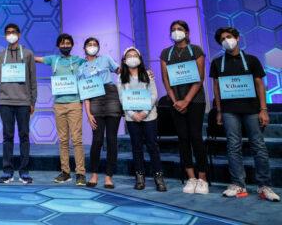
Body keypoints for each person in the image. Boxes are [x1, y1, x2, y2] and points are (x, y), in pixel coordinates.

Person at [210, 27, 280, 202]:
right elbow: (216, 88)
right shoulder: (217, 62)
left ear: (237, 38)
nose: (226, 40)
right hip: (228, 110)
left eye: (229, 37)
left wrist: (264, 109)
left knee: (258, 146)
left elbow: (259, 85)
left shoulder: (252, 60)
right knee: (233, 146)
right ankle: (238, 184)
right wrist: (218, 111)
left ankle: (265, 186)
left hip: (252, 109)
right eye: (222, 39)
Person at [160, 20, 209, 194]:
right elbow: (166, 80)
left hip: (195, 101)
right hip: (175, 101)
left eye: (179, 29)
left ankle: (202, 178)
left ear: (187, 33)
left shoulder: (196, 50)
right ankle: (191, 177)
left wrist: (186, 101)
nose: (176, 32)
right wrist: (175, 101)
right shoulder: (166, 53)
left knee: (196, 137)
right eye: (173, 29)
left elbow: (199, 78)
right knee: (183, 138)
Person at [0, 23, 37, 184]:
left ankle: (24, 171)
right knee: (7, 137)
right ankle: (7, 171)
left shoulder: (28, 54)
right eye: (8, 32)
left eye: (13, 32)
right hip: (5, 101)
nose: (11, 35)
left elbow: (33, 80)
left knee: (24, 137)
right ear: (5, 36)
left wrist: (32, 101)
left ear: (19, 34)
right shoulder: (1, 55)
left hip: (23, 102)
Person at [35, 33, 86, 185]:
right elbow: (36, 59)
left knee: (76, 140)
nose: (65, 46)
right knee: (63, 140)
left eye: (68, 43)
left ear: (72, 45)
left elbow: (93, 64)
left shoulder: (78, 60)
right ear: (58, 46)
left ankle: (80, 173)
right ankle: (65, 172)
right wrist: (22, 53)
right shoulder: (53, 59)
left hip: (75, 103)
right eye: (62, 43)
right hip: (58, 105)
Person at [118, 47, 166, 192]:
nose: (132, 57)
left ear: (139, 58)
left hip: (149, 116)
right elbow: (122, 98)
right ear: (125, 61)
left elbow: (154, 94)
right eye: (129, 56)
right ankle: (140, 177)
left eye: (134, 55)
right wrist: (133, 114)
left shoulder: (147, 74)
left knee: (152, 146)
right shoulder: (121, 77)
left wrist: (144, 112)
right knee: (136, 147)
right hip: (131, 117)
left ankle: (158, 177)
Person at [79, 37, 121, 189]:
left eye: (95, 44)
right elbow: (85, 92)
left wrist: (140, 72)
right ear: (84, 48)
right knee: (97, 140)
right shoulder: (81, 67)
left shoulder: (106, 59)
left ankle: (109, 176)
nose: (92, 47)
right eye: (89, 45)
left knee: (111, 139)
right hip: (94, 99)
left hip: (111, 96)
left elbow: (120, 71)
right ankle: (94, 174)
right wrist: (88, 114)